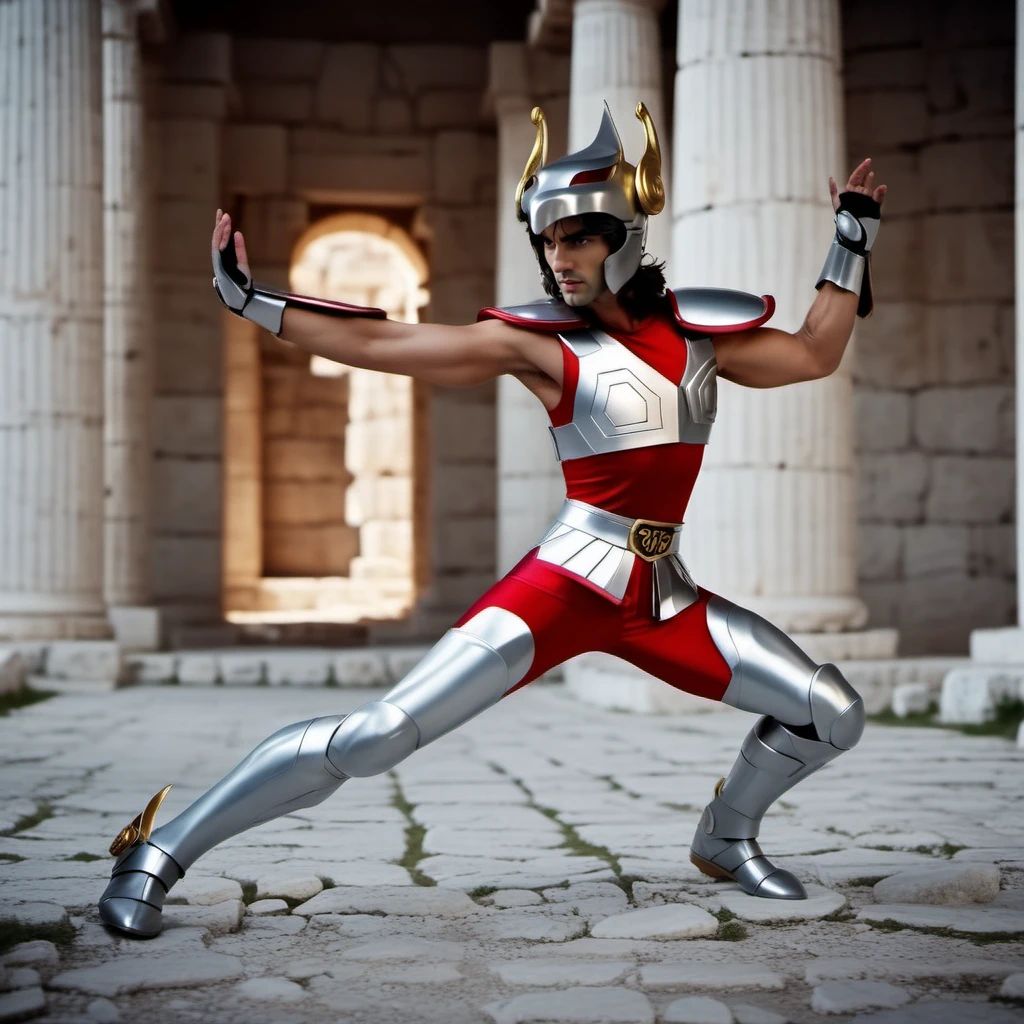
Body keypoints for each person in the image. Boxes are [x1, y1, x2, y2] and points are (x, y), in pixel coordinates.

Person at [99, 102, 885, 938]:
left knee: (830, 711)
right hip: (564, 583)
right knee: (378, 735)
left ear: (623, 236)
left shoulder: (698, 338)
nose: (559, 258)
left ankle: (726, 836)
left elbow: (812, 352)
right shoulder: (539, 345)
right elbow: (392, 345)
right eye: (548, 241)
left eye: (577, 237)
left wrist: (851, 239)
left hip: (662, 596)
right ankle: (157, 851)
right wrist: (254, 302)